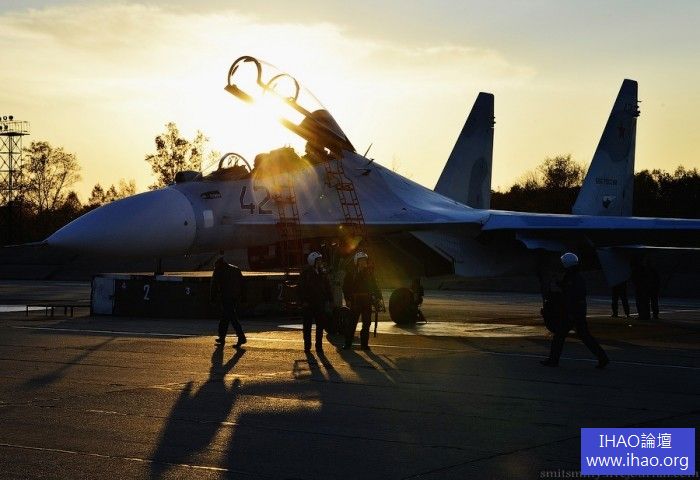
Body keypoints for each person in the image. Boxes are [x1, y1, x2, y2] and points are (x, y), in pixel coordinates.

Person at [541, 252, 609, 369]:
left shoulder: (573, 278)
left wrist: (568, 311)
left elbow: (570, 296)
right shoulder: (574, 277)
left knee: (560, 336)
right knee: (584, 336)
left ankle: (553, 361)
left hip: (572, 313)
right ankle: (603, 358)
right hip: (576, 311)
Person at [343, 251, 382, 350]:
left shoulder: (369, 273)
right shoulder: (351, 274)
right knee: (352, 323)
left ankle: (364, 345)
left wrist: (379, 297)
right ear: (357, 261)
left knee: (367, 323)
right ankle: (347, 344)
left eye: (365, 260)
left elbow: (374, 286)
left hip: (366, 301)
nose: (364, 262)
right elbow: (345, 287)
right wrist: (347, 299)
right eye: (362, 260)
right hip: (355, 301)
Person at [299, 251, 333, 353]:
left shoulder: (322, 273)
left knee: (320, 326)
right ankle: (307, 347)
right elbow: (301, 288)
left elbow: (327, 287)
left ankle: (319, 347)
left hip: (320, 303)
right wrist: (304, 301)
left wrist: (330, 299)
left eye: (320, 260)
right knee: (307, 327)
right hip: (308, 304)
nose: (320, 262)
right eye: (317, 260)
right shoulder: (305, 274)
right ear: (312, 261)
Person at [210, 256, 246, 347]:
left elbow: (214, 285)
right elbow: (243, 284)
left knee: (231, 318)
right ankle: (222, 337)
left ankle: (241, 337)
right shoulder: (236, 269)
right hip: (235, 297)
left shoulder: (219, 270)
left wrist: (212, 298)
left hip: (226, 297)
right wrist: (243, 296)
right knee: (225, 317)